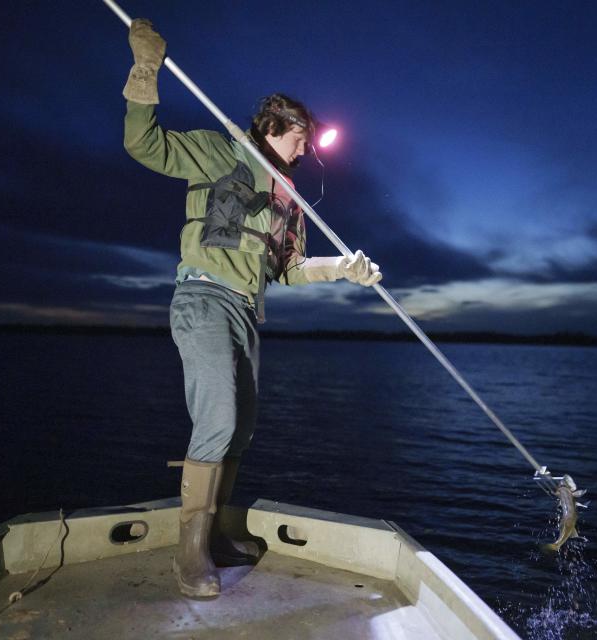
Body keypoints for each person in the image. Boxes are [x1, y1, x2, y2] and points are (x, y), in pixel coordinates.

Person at [121, 19, 382, 598]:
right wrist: (146, 69)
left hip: (246, 312)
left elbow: (289, 270)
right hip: (202, 296)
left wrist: (345, 268)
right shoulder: (223, 152)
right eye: (298, 138)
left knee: (239, 431)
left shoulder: (288, 201)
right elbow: (144, 144)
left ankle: (213, 536)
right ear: (271, 126)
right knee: (216, 420)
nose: (306, 148)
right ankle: (188, 555)